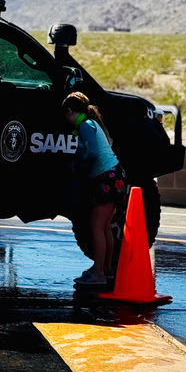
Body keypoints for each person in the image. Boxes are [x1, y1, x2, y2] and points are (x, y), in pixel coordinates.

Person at [62, 91, 128, 286]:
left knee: (96, 226)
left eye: (65, 115)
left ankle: (98, 273)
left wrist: (76, 166)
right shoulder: (91, 124)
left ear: (70, 111)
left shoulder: (85, 125)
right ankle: (106, 270)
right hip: (114, 176)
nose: (65, 119)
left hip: (106, 178)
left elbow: (92, 154)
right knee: (105, 227)